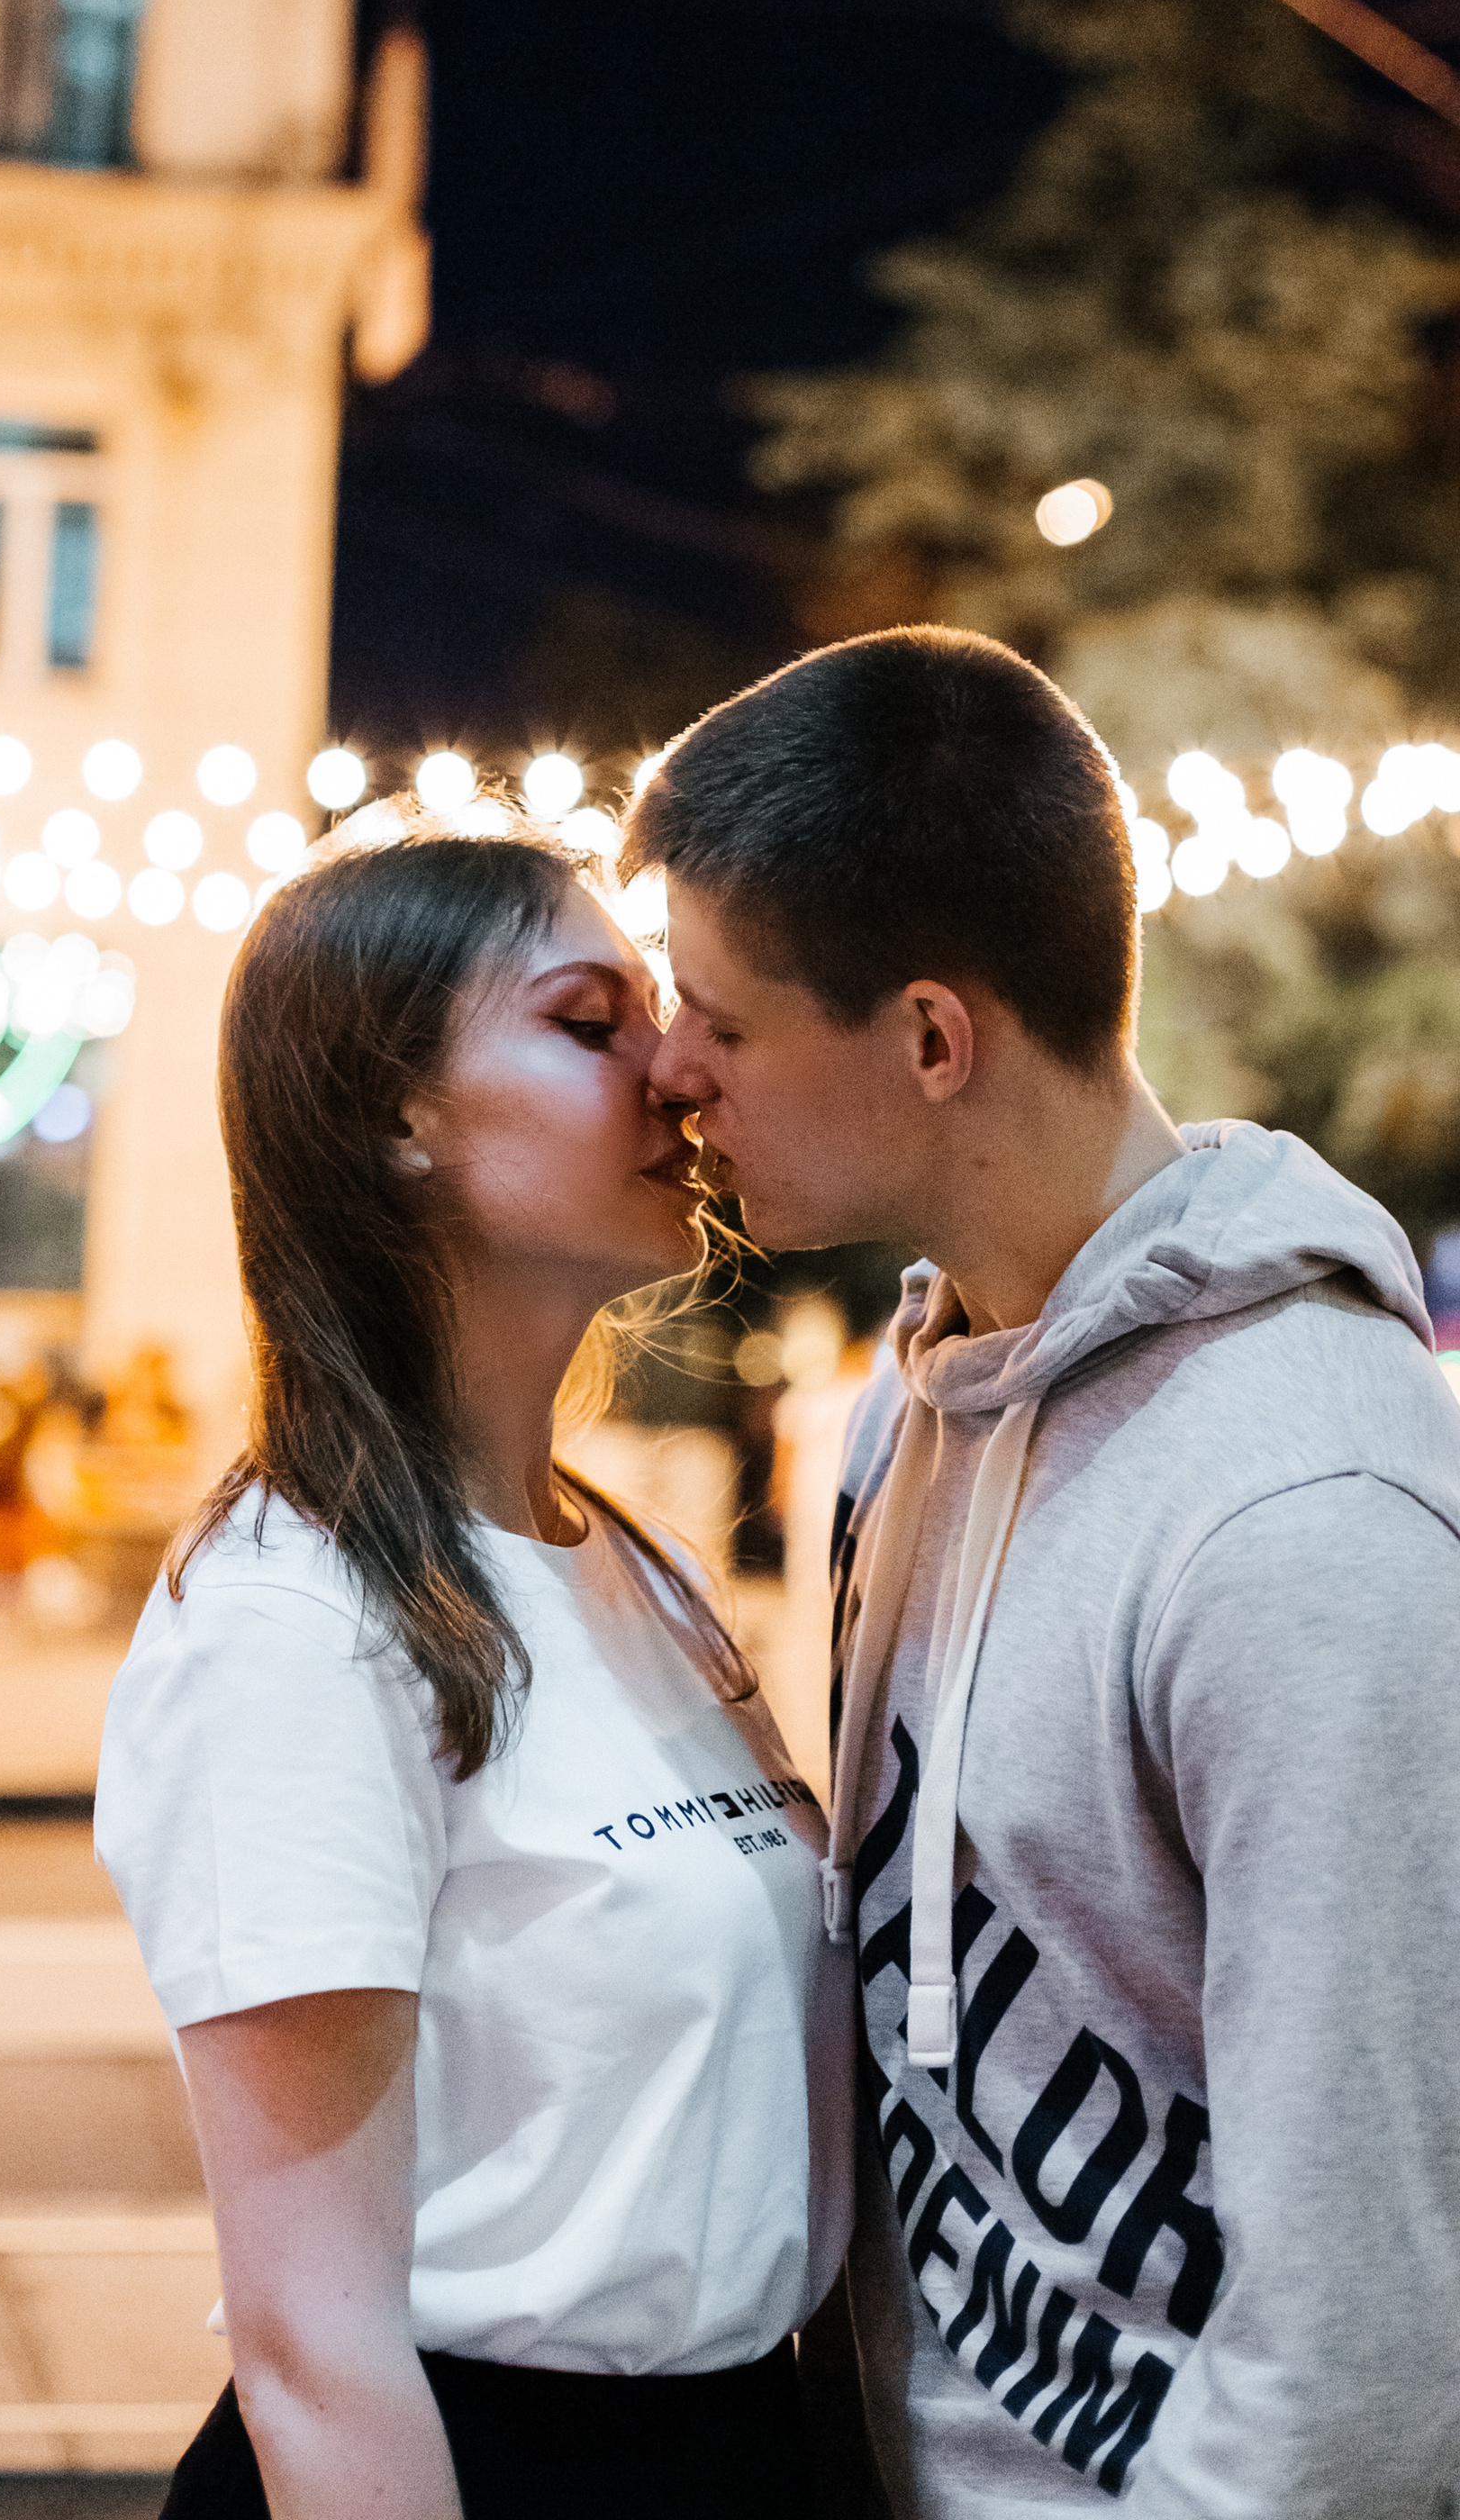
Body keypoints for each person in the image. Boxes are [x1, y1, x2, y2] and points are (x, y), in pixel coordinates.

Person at [625, 626, 1460, 2516]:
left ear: (931, 1038)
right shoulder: (912, 1409)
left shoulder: (1299, 1519)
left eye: (722, 1020)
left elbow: (1367, 2349)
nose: (670, 1073)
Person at [95, 826, 849, 2520]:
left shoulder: (629, 1561)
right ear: (395, 1119)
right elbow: (314, 2349)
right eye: (591, 1025)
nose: (673, 1071)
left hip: (740, 2450)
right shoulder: (298, 1625)